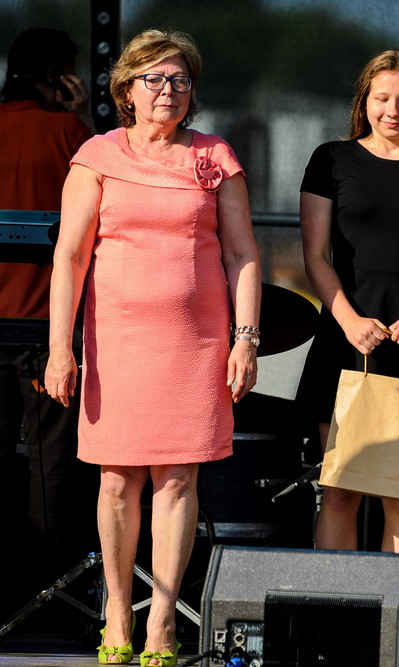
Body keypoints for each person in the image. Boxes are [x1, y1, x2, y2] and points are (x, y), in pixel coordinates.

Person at [44, 29, 261, 667]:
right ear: (127, 91)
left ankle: (161, 622)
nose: (168, 91)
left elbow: (244, 254)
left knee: (177, 479)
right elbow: (70, 257)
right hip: (115, 343)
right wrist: (62, 348)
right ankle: (117, 613)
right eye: (155, 80)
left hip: (195, 343)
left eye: (180, 81)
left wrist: (245, 339)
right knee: (116, 481)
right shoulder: (96, 155)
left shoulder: (214, 155)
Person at [297, 49, 399, 554]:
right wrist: (347, 321)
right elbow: (316, 256)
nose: (393, 110)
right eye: (382, 98)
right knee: (340, 493)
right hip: (346, 341)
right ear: (364, 101)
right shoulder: (331, 159)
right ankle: (330, 622)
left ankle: (395, 626)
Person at [0, 27, 94, 615]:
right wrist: (78, 116)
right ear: (57, 76)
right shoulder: (68, 134)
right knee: (48, 467)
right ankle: (46, 595)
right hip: (43, 327)